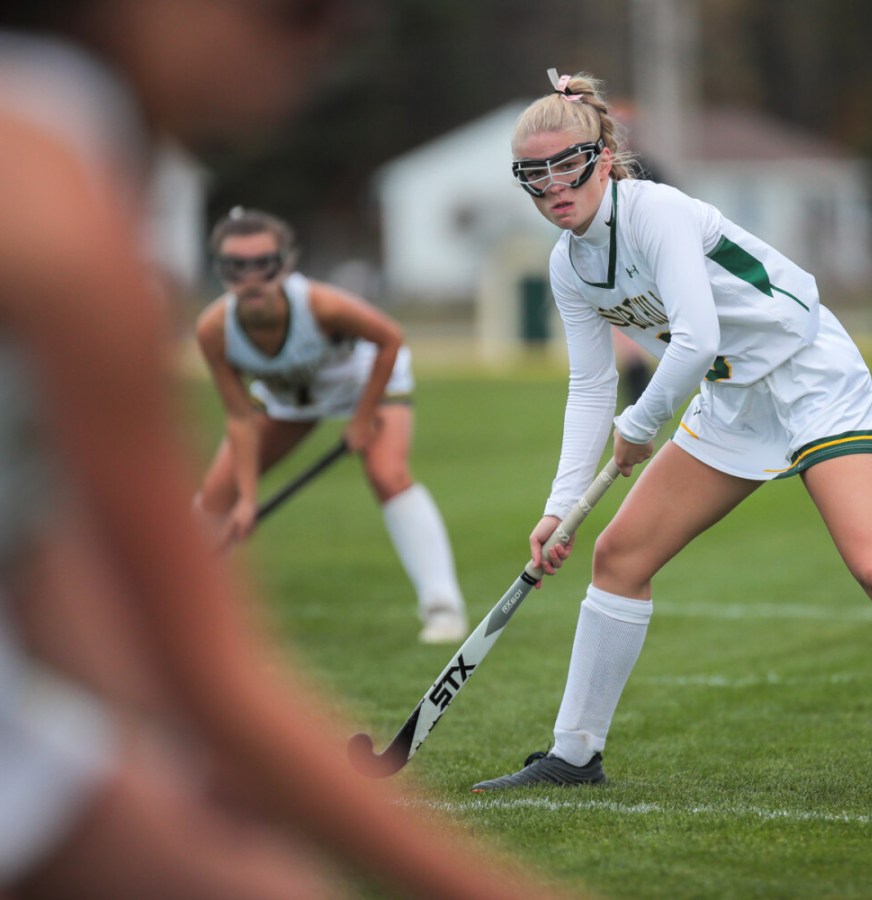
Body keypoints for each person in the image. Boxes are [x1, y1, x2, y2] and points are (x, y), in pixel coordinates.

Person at [0, 5, 570, 898]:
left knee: (389, 473)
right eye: (296, 12)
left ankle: (437, 597)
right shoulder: (62, 206)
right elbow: (217, 686)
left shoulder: (78, 153)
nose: (339, 29)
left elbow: (40, 565)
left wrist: (173, 734)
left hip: (359, 384)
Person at [471, 69, 872, 806]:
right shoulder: (568, 264)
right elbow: (590, 385)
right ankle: (574, 756)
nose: (553, 188)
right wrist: (560, 504)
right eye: (534, 176)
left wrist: (640, 426)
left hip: (809, 375)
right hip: (732, 398)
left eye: (566, 166)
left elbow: (697, 338)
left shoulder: (656, 213)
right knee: (619, 556)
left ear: (603, 158)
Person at [194, 206, 469, 645]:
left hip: (366, 382)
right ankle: (187, 608)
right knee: (215, 497)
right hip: (289, 399)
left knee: (388, 474)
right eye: (236, 267)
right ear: (220, 270)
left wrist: (362, 419)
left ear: (285, 263)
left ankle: (443, 608)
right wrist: (246, 499)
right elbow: (240, 417)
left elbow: (390, 339)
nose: (251, 278)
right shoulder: (214, 329)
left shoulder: (321, 305)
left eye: (264, 264)